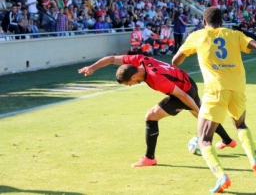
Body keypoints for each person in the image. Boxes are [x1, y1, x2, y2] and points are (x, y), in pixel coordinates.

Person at [172, 7, 256, 193]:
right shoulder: (235, 34)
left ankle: (221, 176)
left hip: (215, 90)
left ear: (204, 22)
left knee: (204, 140)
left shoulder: (197, 36)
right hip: (238, 88)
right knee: (241, 125)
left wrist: (190, 51)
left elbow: (176, 61)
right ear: (222, 21)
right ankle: (254, 161)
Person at [78, 54, 236, 167]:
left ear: (133, 77)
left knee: (151, 117)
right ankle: (228, 141)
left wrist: (198, 112)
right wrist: (92, 67)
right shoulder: (138, 60)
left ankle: (149, 158)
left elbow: (181, 95)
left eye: (128, 84)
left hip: (184, 92)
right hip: (187, 81)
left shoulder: (156, 78)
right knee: (201, 114)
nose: (131, 86)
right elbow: (112, 59)